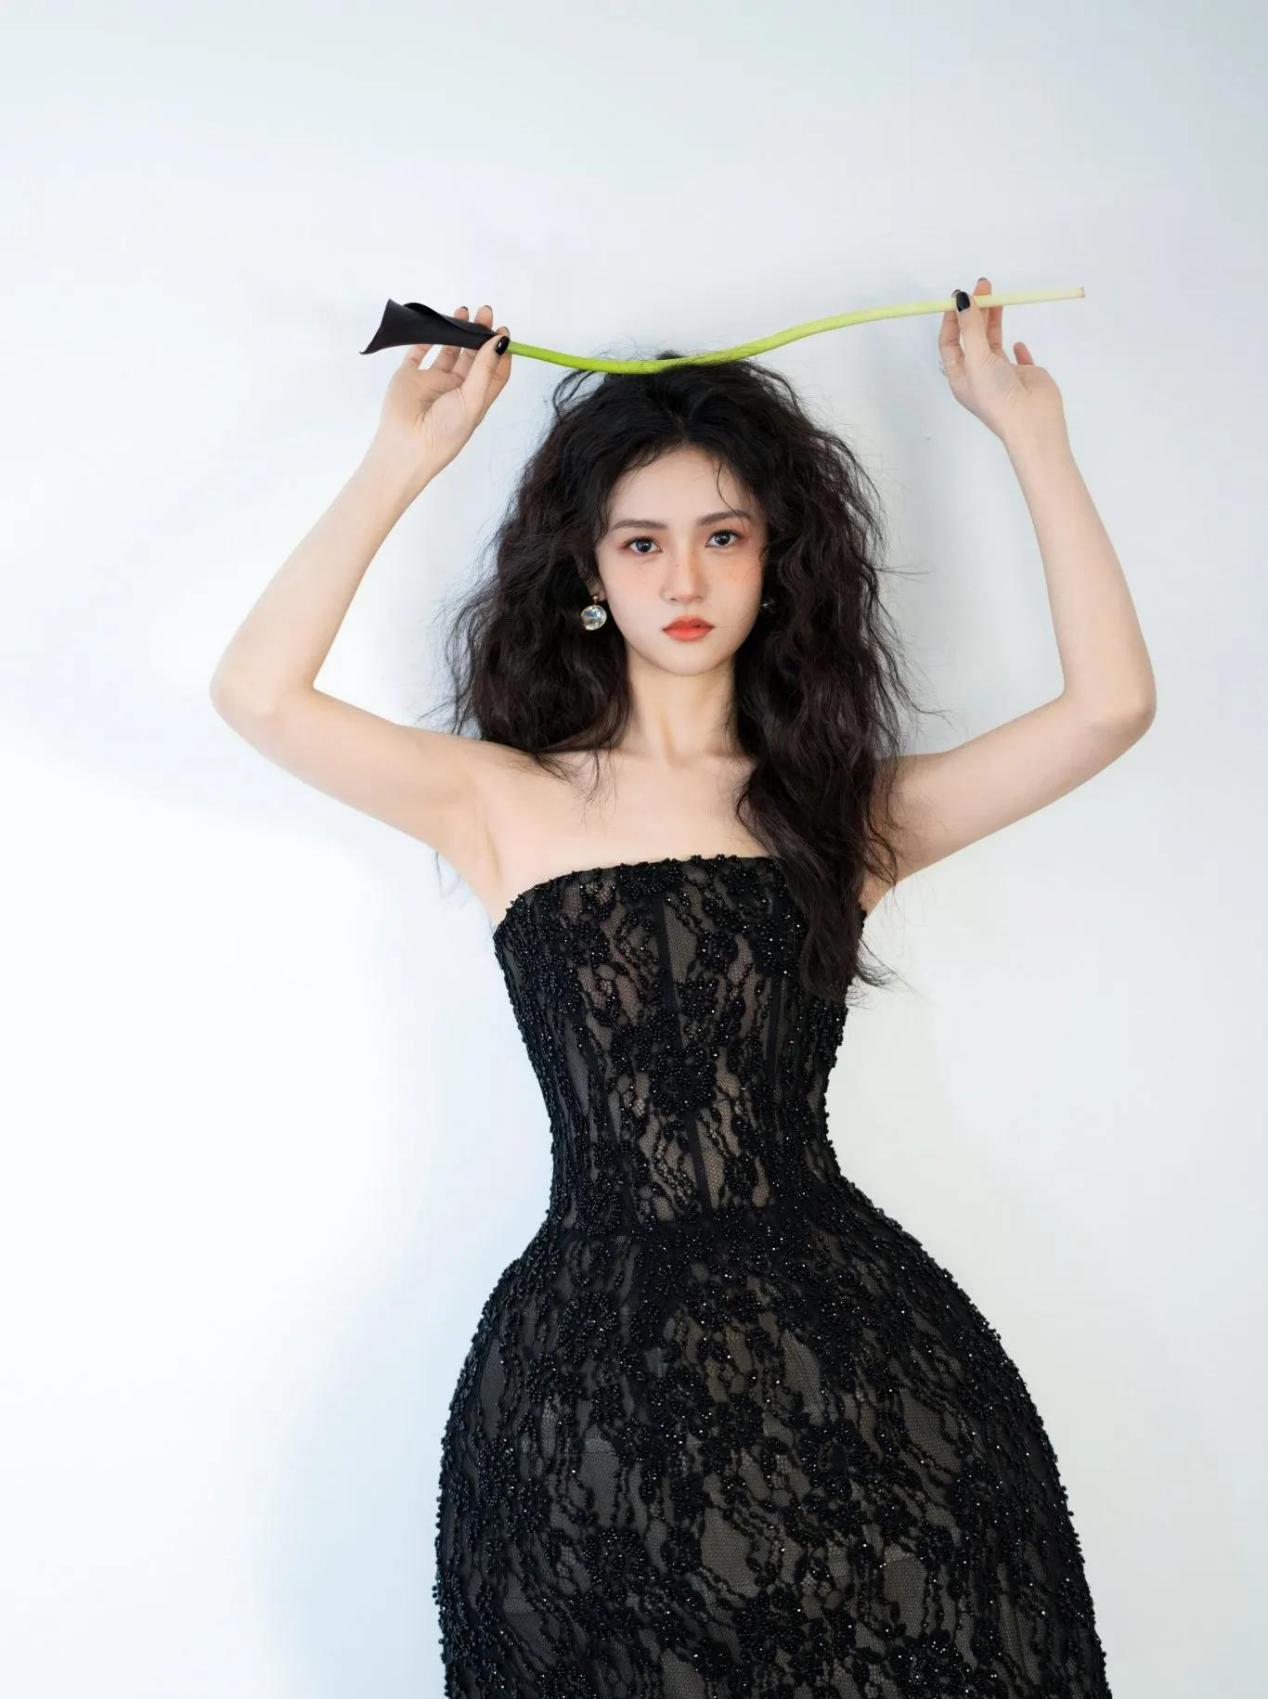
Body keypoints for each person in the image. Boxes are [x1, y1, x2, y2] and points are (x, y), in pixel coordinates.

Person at [211, 278, 1148, 1695]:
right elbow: (259, 694)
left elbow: (1110, 709)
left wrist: (1032, 434)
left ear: (776, 562)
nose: (687, 581)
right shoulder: (501, 800)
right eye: (642, 542)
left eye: (724, 536)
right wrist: (404, 457)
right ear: (590, 569)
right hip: (587, 1376)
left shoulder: (838, 812)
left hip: (853, 1366)